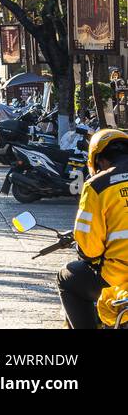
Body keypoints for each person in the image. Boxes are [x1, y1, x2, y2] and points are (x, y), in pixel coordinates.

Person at [56, 128, 128, 328]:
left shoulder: (97, 185)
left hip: (117, 275)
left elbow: (90, 250)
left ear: (100, 161)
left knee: (66, 277)